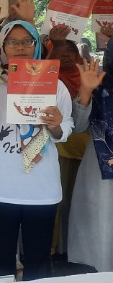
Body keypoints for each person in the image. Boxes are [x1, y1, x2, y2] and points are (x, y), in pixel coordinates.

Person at [0, 20, 73, 280]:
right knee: (1, 260)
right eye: (13, 42)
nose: (20, 47)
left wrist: (56, 125)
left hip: (42, 188)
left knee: (39, 261)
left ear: (36, 45)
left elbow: (65, 129)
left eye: (27, 41)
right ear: (3, 47)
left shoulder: (55, 85)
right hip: (1, 186)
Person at [67, 30, 113, 272]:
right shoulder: (99, 83)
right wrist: (85, 93)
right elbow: (78, 126)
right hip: (100, 170)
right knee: (101, 228)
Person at [46, 26, 87, 255]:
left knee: (79, 200)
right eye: (60, 50)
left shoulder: (87, 75)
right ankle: (53, 247)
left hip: (85, 146)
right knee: (57, 201)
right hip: (59, 147)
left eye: (70, 49)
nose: (66, 55)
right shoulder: (51, 81)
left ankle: (71, 248)